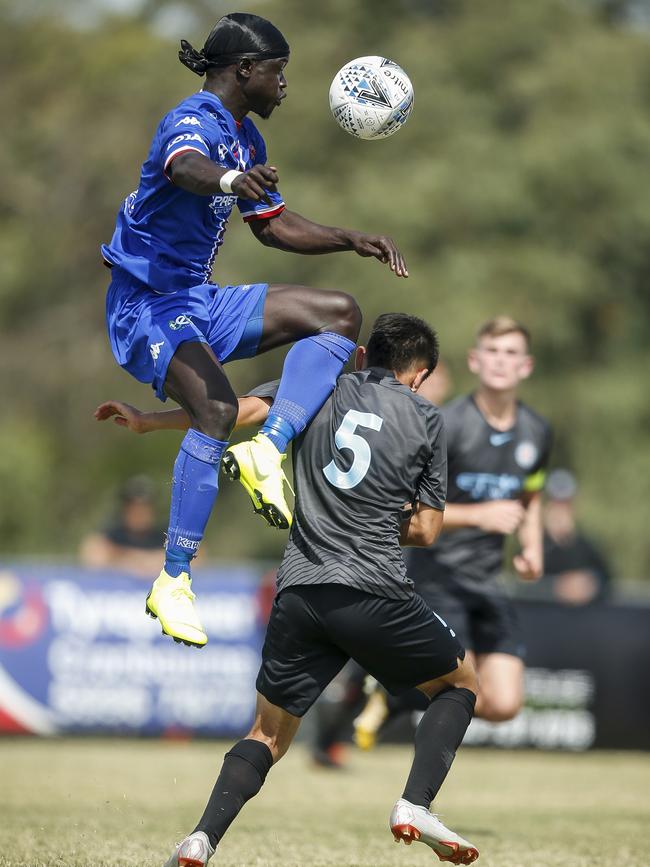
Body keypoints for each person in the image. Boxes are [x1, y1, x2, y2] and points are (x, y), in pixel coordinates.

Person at [97, 314, 480, 865]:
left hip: (301, 592)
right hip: (373, 588)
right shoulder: (426, 417)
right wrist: (371, 516)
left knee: (268, 735)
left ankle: (201, 838)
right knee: (458, 685)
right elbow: (426, 529)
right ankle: (415, 804)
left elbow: (238, 410)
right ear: (419, 375)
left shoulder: (318, 387)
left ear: (363, 355)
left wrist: (149, 421)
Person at [101, 12, 407, 648]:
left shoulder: (247, 139)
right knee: (214, 409)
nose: (284, 85)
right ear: (245, 71)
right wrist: (232, 178)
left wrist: (349, 238)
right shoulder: (195, 118)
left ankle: (268, 448)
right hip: (146, 306)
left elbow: (272, 225)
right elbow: (184, 168)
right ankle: (174, 579)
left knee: (341, 315)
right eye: (278, 71)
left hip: (197, 299)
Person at [354, 316, 552, 746]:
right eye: (493, 352)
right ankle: (404, 705)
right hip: (438, 576)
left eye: (511, 353)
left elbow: (531, 498)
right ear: (476, 361)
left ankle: (400, 692)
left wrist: (532, 548)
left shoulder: (537, 431)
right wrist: (478, 515)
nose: (502, 362)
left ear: (526, 366)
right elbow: (406, 506)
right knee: (464, 687)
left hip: (488, 580)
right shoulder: (445, 424)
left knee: (505, 705)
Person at [541, 469, 611, 605]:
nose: (560, 511)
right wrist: (556, 587)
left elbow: (607, 580)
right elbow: (524, 586)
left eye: (565, 504)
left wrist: (590, 585)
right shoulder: (534, 547)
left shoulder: (585, 545)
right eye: (556, 503)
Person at [79, 475, 166, 578]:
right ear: (125, 509)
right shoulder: (112, 535)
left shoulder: (164, 539)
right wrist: (146, 560)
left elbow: (187, 562)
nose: (139, 513)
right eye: (134, 507)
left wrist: (119, 556)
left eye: (144, 508)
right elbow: (93, 554)